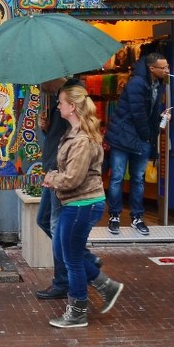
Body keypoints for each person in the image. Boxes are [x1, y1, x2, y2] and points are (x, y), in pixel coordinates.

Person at [43, 84, 123, 328]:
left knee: (72, 259)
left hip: (82, 204)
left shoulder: (82, 140)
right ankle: (105, 285)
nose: (58, 106)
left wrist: (52, 179)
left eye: (61, 103)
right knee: (65, 252)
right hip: (77, 204)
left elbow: (73, 179)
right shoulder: (73, 133)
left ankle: (77, 312)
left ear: (72, 107)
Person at [34, 77, 101, 300]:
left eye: (42, 80)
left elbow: (73, 174)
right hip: (54, 172)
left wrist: (54, 177)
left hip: (62, 180)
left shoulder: (72, 95)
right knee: (45, 221)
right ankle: (88, 265)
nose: (39, 85)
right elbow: (62, 138)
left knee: (57, 229)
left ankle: (68, 285)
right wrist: (47, 128)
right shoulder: (57, 101)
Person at [104, 52, 170, 236]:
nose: (167, 70)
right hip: (123, 137)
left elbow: (149, 112)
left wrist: (160, 118)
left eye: (167, 67)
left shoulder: (158, 84)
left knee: (137, 179)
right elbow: (138, 113)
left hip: (140, 138)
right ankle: (115, 216)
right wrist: (148, 136)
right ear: (152, 68)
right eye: (163, 67)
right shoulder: (136, 84)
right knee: (117, 177)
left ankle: (137, 217)